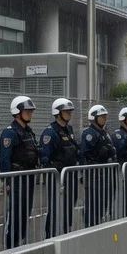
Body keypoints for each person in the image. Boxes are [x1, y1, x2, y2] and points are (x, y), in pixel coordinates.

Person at [0, 96, 42, 248]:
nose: (30, 113)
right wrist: (7, 181)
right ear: (17, 112)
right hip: (16, 180)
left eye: (31, 110)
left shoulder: (29, 133)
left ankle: (21, 245)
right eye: (27, 110)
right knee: (14, 216)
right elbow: (4, 160)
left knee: (25, 213)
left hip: (28, 179)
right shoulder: (10, 133)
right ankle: (9, 247)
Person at [40, 98, 79, 235]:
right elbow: (45, 157)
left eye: (69, 111)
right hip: (57, 179)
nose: (69, 114)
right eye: (66, 111)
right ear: (58, 113)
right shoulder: (50, 132)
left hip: (70, 176)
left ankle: (66, 233)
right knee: (56, 208)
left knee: (69, 207)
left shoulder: (69, 130)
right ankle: (51, 235)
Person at [80, 105, 116, 225]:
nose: (104, 119)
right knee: (92, 204)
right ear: (94, 118)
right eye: (102, 117)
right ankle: (89, 227)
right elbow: (88, 152)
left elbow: (111, 150)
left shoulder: (105, 133)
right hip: (93, 175)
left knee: (103, 202)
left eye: (105, 117)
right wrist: (102, 151)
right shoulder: (88, 133)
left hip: (104, 174)